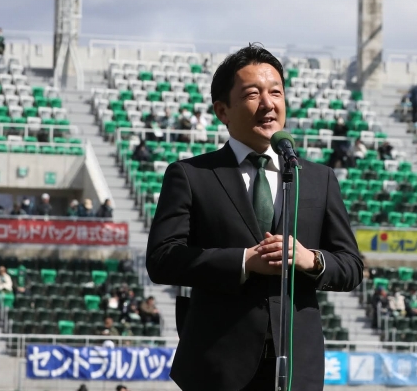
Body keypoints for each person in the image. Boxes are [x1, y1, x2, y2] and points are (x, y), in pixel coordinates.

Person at [146, 44, 363, 391]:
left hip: (297, 367)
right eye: (252, 94)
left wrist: (311, 260)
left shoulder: (318, 178)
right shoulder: (191, 175)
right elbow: (162, 259)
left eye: (276, 92)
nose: (268, 104)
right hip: (217, 365)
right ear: (222, 110)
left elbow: (351, 266)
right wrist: (245, 261)